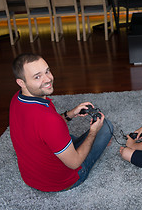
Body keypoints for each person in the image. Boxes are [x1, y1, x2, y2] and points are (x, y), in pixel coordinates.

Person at [9, 53, 113, 192]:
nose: (48, 79)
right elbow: (74, 163)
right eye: (37, 77)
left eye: (47, 71)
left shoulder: (17, 98)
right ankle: (85, 144)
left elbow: (41, 128)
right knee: (106, 126)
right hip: (61, 182)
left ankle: (71, 146)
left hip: (30, 176)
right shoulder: (49, 121)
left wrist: (70, 114)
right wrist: (93, 133)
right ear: (21, 82)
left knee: (60, 135)